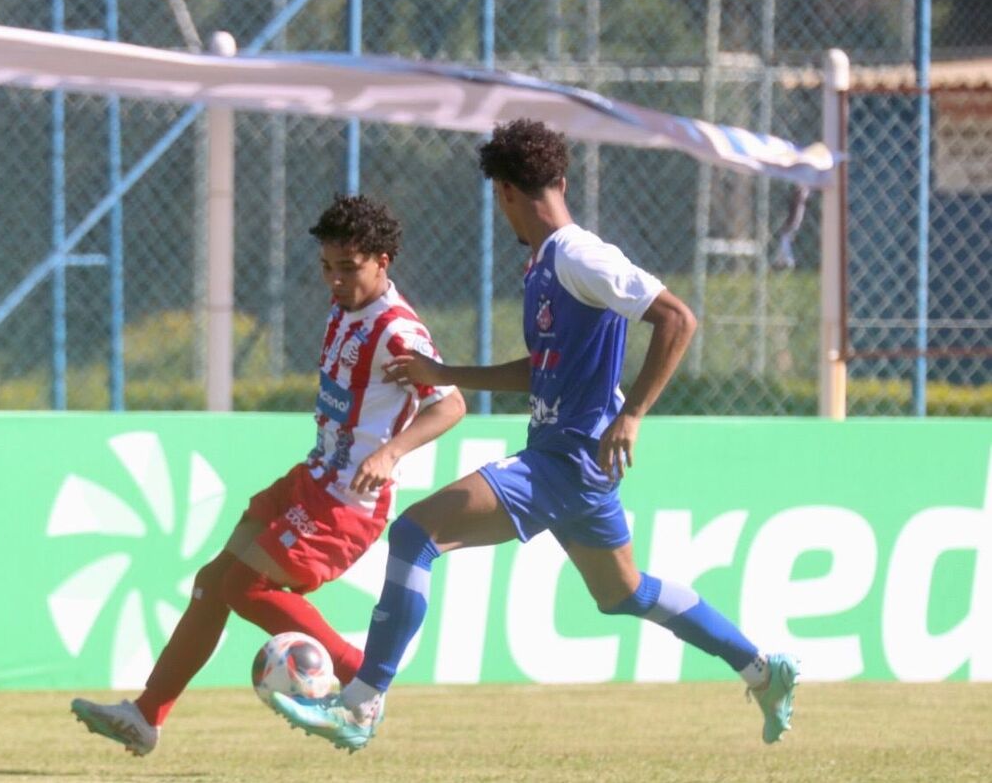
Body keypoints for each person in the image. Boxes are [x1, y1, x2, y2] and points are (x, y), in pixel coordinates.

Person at [270, 119, 799, 752]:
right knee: (624, 592)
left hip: (570, 459)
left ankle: (359, 705)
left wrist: (633, 415)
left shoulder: (579, 255)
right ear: (560, 180)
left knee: (415, 534)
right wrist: (444, 373)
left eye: (499, 198)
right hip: (572, 462)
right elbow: (540, 370)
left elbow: (677, 319)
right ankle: (762, 670)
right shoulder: (546, 265)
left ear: (505, 193)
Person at [71, 193, 466, 756]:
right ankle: (145, 715)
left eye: (348, 268)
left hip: (349, 499)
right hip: (310, 478)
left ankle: (363, 680)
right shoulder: (344, 309)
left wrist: (391, 453)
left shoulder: (397, 331)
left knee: (245, 586)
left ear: (383, 260)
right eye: (327, 267)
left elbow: (450, 405)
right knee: (214, 581)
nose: (334, 280)